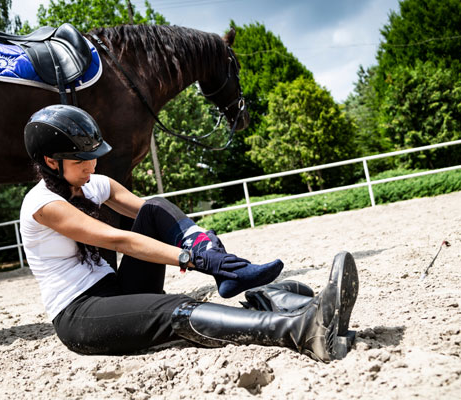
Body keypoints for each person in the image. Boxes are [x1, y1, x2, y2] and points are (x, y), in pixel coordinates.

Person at [19, 104, 359, 363]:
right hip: (81, 314)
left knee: (154, 206)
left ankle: (236, 275)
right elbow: (119, 240)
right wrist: (191, 260)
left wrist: (204, 246)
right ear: (51, 162)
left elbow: (154, 215)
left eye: (93, 158)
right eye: (82, 161)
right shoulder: (43, 205)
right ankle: (299, 329)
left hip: (119, 290)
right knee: (175, 309)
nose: (92, 166)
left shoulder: (94, 185)